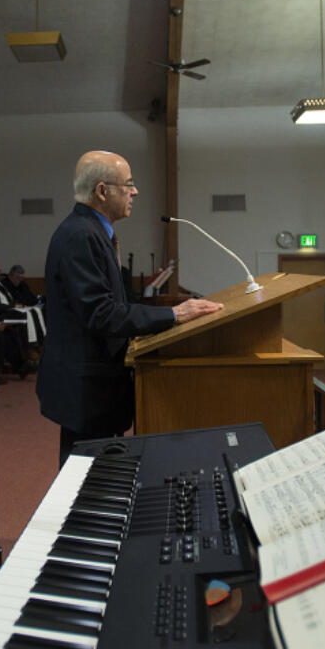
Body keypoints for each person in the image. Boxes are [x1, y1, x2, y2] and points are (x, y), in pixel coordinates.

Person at [38, 150, 223, 466]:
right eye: (128, 184)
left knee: (99, 478)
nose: (135, 191)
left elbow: (114, 304)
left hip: (94, 384)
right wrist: (174, 314)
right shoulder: (81, 236)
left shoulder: (92, 232)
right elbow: (101, 313)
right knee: (86, 484)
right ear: (102, 191)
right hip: (86, 388)